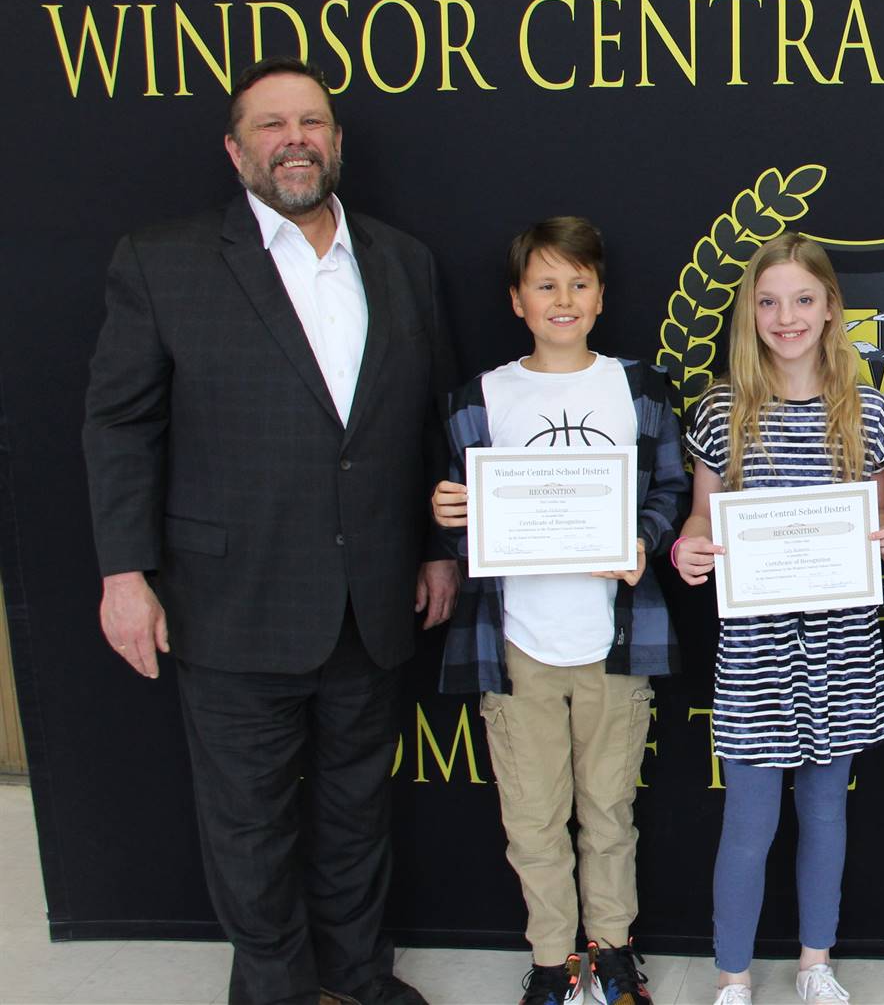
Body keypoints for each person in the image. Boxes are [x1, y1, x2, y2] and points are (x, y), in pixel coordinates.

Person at [81, 56, 456, 1005]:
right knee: (248, 827)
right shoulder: (162, 260)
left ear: (336, 141)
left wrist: (439, 548)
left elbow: (430, 422)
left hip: (372, 599)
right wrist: (124, 572)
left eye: (313, 123)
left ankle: (359, 980)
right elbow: (121, 424)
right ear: (235, 148)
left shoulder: (401, 260)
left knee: (355, 815)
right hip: (230, 603)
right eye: (272, 125)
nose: (296, 138)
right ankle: (279, 993)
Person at [429, 217, 690, 1005]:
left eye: (579, 283)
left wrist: (643, 541)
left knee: (608, 813)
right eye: (546, 284)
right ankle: (551, 963)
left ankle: (611, 955)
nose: (563, 299)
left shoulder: (639, 388)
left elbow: (671, 491)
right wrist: (450, 509)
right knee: (533, 821)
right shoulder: (479, 397)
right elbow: (465, 507)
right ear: (517, 301)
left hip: (613, 638)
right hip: (516, 645)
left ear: (602, 295)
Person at [671, 233, 884, 1005]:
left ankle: (815, 963)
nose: (787, 316)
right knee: (748, 823)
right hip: (755, 648)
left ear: (832, 308)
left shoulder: (869, 411)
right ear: (750, 313)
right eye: (769, 301)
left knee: (824, 815)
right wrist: (690, 550)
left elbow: (876, 522)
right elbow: (700, 522)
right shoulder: (720, 409)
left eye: (803, 299)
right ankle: (733, 975)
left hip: (841, 644)